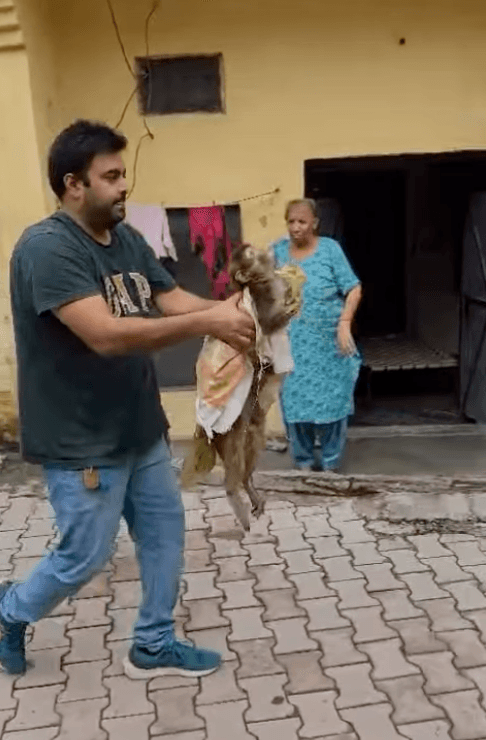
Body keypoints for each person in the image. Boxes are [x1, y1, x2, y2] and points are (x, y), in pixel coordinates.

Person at [1, 119, 255, 679]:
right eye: (110, 176)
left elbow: (171, 299)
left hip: (139, 427)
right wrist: (209, 321)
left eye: (123, 174)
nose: (123, 187)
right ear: (73, 184)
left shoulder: (127, 239)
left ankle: (154, 642)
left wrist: (233, 309)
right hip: (82, 438)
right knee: (84, 558)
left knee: (165, 535)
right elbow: (106, 333)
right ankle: (10, 610)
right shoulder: (46, 249)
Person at [273, 199, 362, 471]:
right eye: (291, 221)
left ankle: (331, 464)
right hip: (292, 344)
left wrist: (345, 322)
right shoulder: (277, 252)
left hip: (328, 344)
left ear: (314, 223)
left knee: (333, 402)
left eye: (302, 221)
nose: (295, 227)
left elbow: (354, 288)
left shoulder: (330, 250)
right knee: (294, 404)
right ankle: (303, 464)